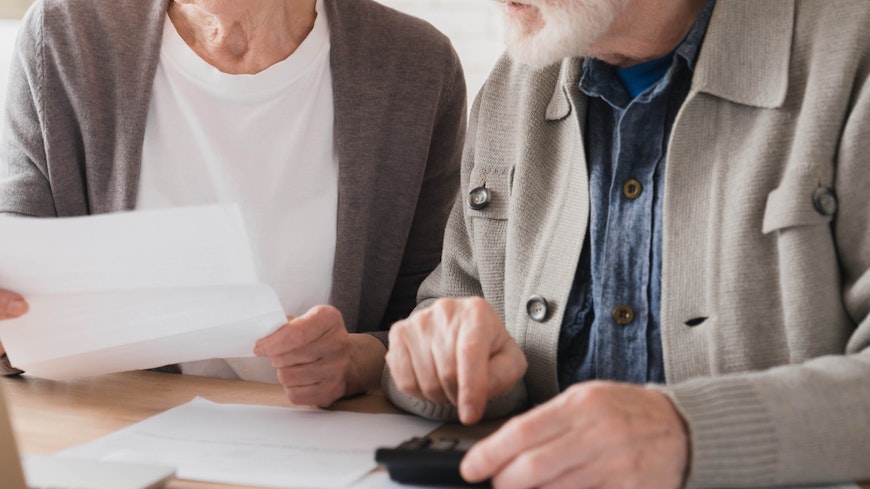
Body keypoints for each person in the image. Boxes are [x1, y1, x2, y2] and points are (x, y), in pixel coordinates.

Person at [383, 0, 870, 487]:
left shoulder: (853, 54)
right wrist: (443, 364)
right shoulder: (514, 84)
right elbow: (450, 305)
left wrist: (688, 432)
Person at [0, 0, 465, 408]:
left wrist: (362, 361)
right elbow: (19, 276)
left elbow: (438, 314)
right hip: (113, 436)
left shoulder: (418, 67)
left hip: (323, 444)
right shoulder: (63, 39)